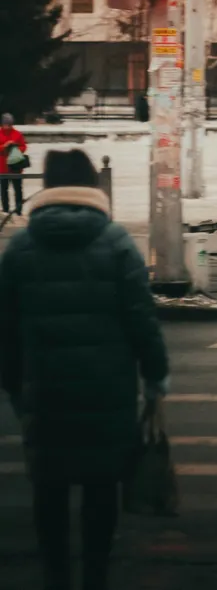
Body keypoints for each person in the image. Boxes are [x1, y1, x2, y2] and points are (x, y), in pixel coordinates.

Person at [0, 148, 169, 590]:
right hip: (106, 396)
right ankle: (94, 577)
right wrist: (155, 378)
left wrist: (16, 390)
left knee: (49, 492)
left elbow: (6, 333)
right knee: (100, 490)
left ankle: (56, 578)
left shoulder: (19, 249)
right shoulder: (116, 244)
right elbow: (142, 322)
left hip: (45, 398)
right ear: (93, 185)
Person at [0, 113, 27, 217]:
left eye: (10, 124)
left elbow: (23, 146)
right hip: (2, 166)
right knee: (4, 189)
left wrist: (15, 148)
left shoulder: (17, 134)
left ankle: (18, 209)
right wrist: (4, 146)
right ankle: (6, 209)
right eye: (6, 124)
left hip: (16, 166)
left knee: (18, 189)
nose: (8, 126)